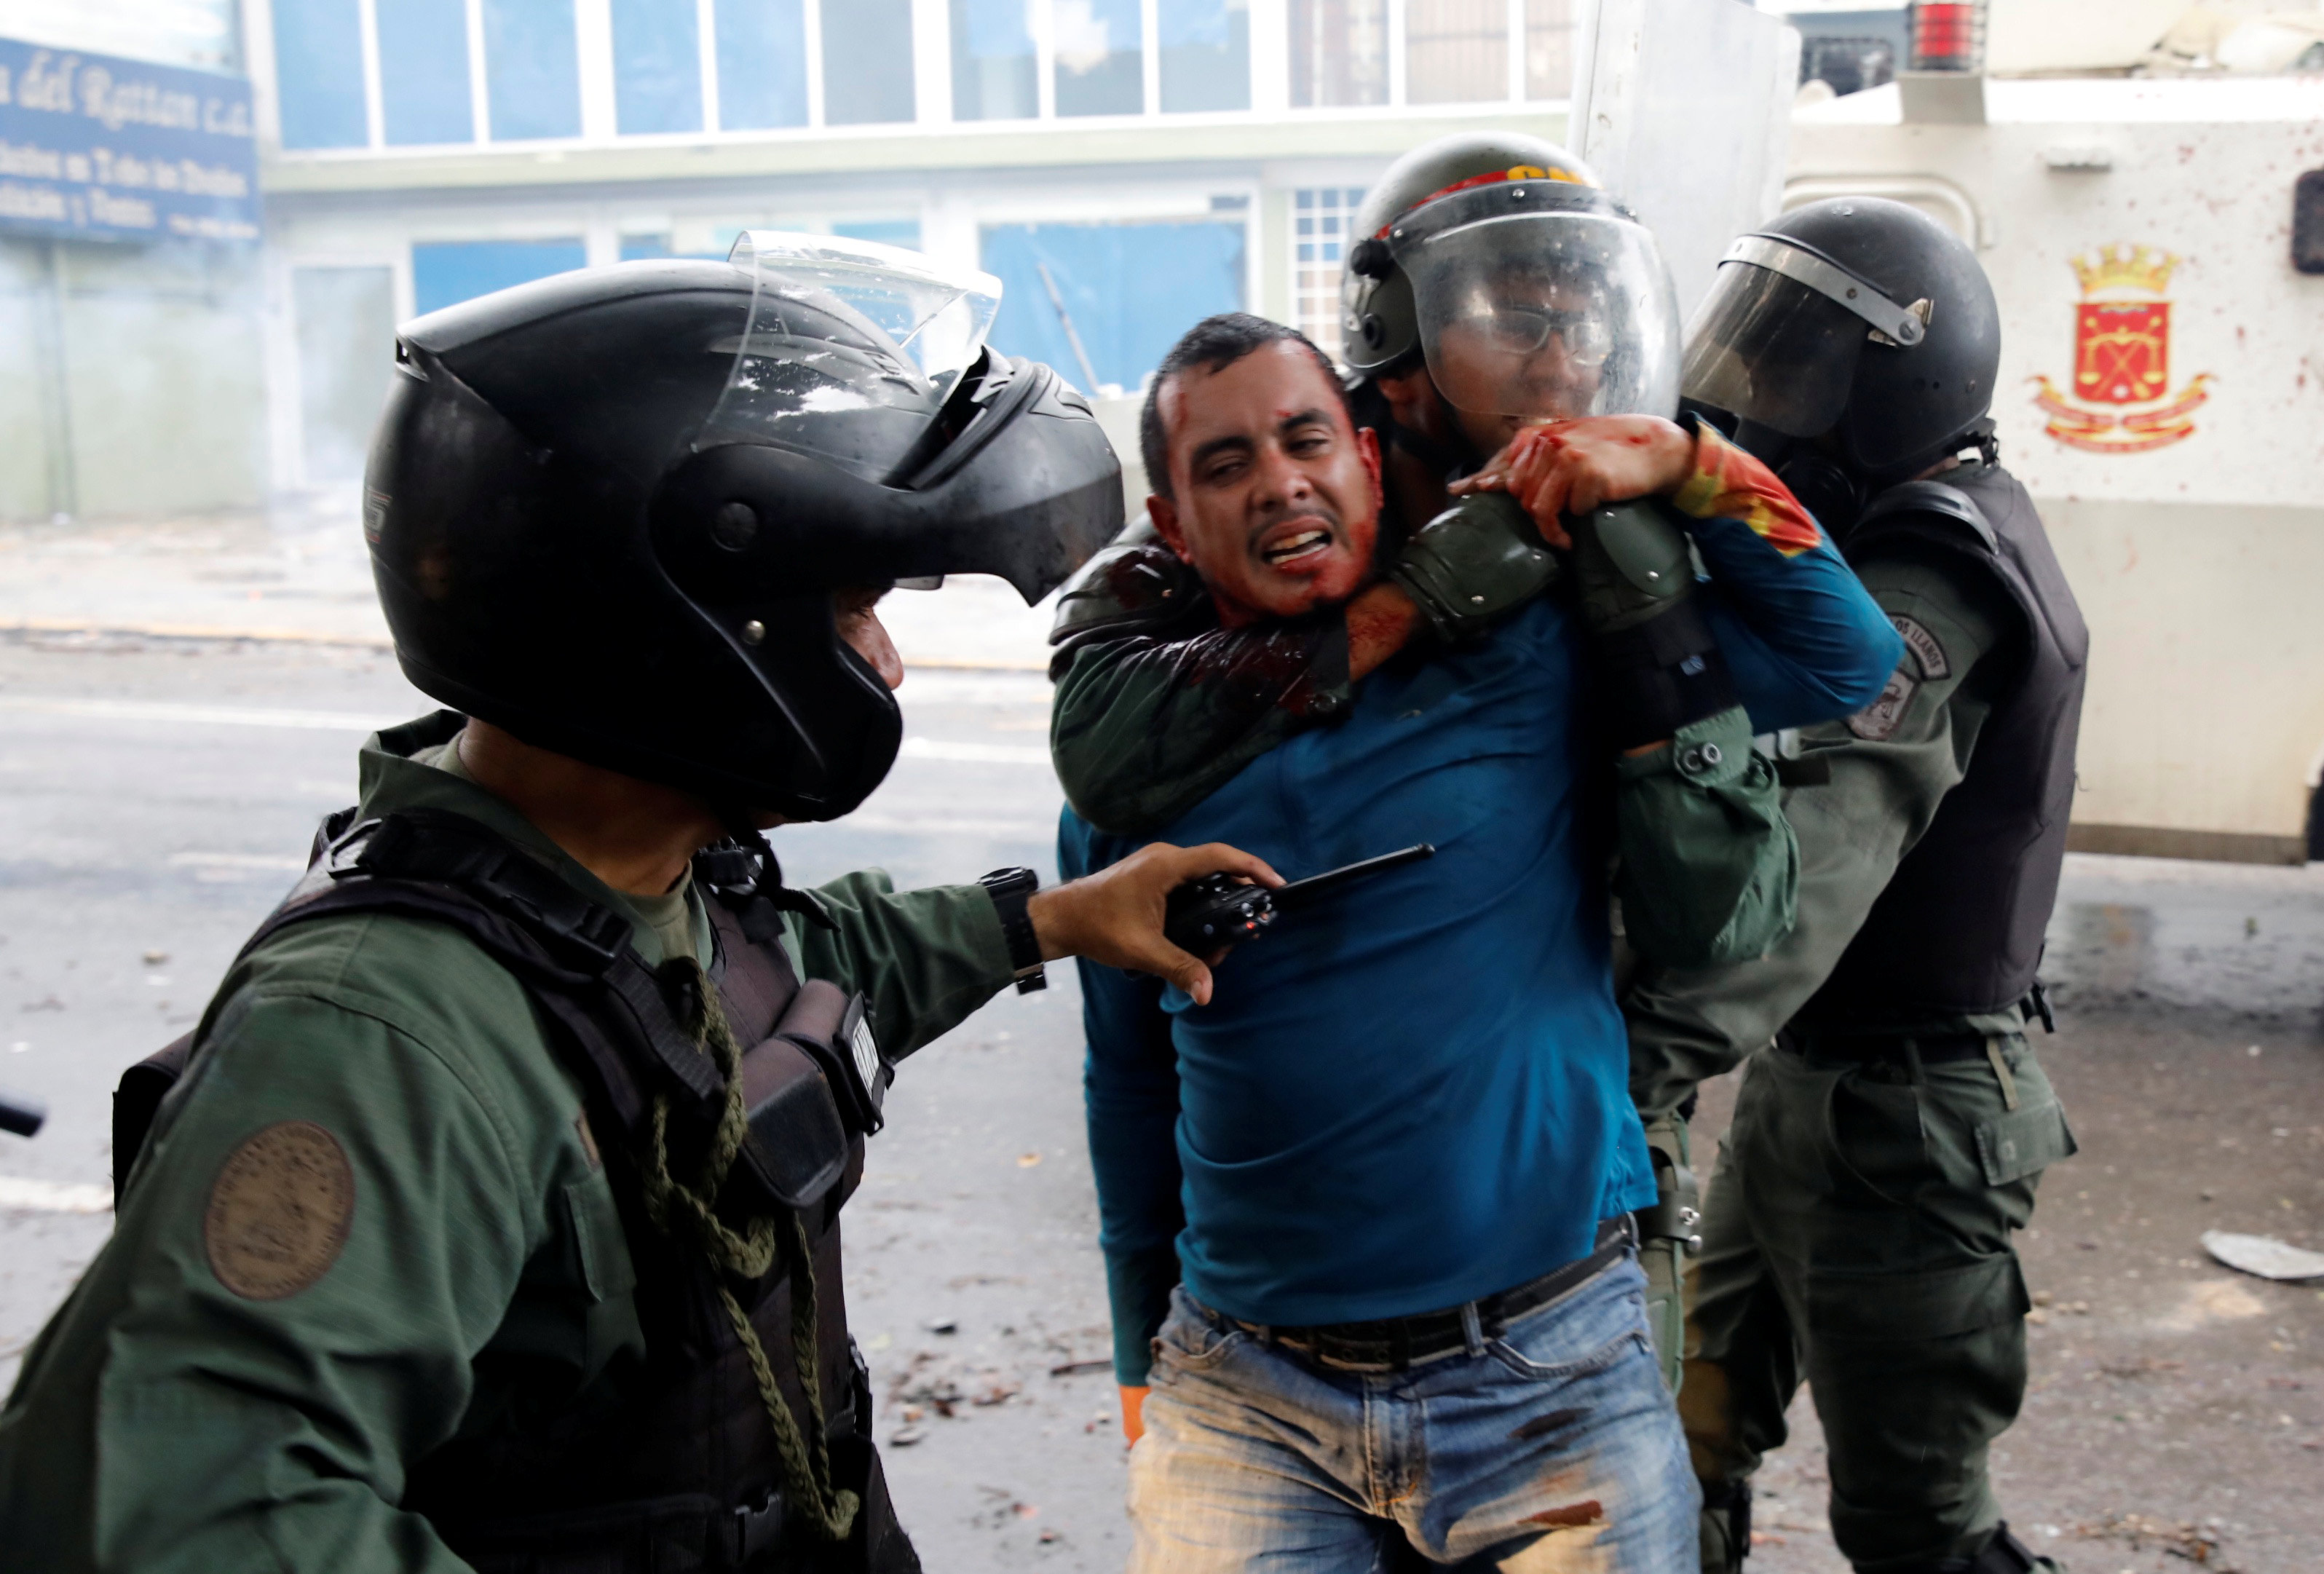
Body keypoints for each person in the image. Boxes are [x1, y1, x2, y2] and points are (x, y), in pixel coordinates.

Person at [0, 236, 1278, 1574]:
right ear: (670, 641)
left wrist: (1059, 918)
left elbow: (790, 977)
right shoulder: (378, 1039)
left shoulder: (643, 876)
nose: (885, 657)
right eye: (851, 611)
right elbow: (163, 1511)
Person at [1052, 138, 1908, 1397]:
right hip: (1266, 1355)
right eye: (1511, 323)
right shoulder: (1171, 685)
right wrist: (1142, 1358)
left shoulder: (1568, 596)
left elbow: (1847, 660)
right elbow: (1127, 1077)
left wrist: (1693, 463)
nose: (1560, 366)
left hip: (1556, 1275)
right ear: (1394, 359)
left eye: (1580, 322)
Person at [1620, 199, 2088, 1574]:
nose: (1754, 404)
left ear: (1894, 386)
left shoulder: (1938, 569)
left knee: (1917, 1527)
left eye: (1794, 370)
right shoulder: (1869, 532)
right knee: (1675, 1446)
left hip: (1918, 1116)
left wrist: (1613, 1054)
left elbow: (1815, 850)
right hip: (1804, 1088)